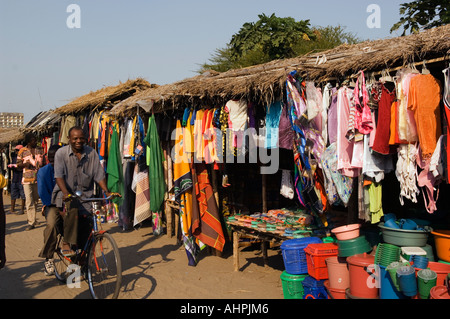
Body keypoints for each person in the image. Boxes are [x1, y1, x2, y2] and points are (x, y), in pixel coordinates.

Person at [40, 126, 117, 267]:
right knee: (52, 225)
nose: (78, 141)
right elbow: (59, 176)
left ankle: (80, 266)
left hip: (86, 199)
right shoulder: (61, 154)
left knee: (85, 235)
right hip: (62, 199)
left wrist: (106, 191)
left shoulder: (92, 153)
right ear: (69, 139)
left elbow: (98, 175)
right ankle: (51, 256)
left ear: (86, 139)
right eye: (75, 138)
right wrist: (66, 194)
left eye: (81, 138)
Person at [37, 144, 60, 275]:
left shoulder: (66, 169)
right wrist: (56, 205)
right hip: (51, 205)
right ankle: (48, 257)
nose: (52, 161)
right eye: (50, 158)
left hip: (66, 204)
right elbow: (43, 193)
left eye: (55, 158)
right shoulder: (43, 171)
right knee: (51, 225)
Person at [16, 133, 44, 230]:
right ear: (28, 142)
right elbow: (18, 165)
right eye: (33, 140)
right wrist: (25, 164)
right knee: (29, 201)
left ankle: (33, 218)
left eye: (35, 139)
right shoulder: (22, 151)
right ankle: (31, 222)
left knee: (36, 200)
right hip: (27, 180)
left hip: (38, 178)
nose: (35, 141)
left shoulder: (40, 149)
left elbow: (44, 162)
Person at [8, 145, 25, 215]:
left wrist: (17, 167)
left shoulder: (24, 158)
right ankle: (12, 208)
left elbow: (22, 167)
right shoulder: (14, 157)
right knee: (13, 194)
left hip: (21, 178)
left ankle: (22, 209)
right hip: (15, 178)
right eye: (16, 150)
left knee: (23, 195)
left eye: (18, 150)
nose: (16, 152)